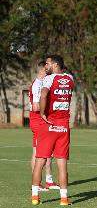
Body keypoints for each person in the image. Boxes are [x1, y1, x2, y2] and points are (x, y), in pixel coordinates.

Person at [31, 55, 74, 206]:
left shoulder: (49, 79)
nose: (46, 65)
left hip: (49, 123)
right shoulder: (70, 79)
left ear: (55, 65)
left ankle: (35, 197)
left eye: (48, 63)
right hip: (64, 126)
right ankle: (63, 198)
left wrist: (42, 113)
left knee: (40, 161)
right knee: (62, 164)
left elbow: (43, 95)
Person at [28, 60, 58, 191]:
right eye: (46, 69)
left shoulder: (44, 82)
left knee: (47, 152)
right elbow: (35, 107)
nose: (48, 70)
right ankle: (37, 184)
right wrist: (47, 107)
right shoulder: (37, 84)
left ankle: (49, 180)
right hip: (38, 120)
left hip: (42, 120)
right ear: (42, 70)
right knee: (38, 153)